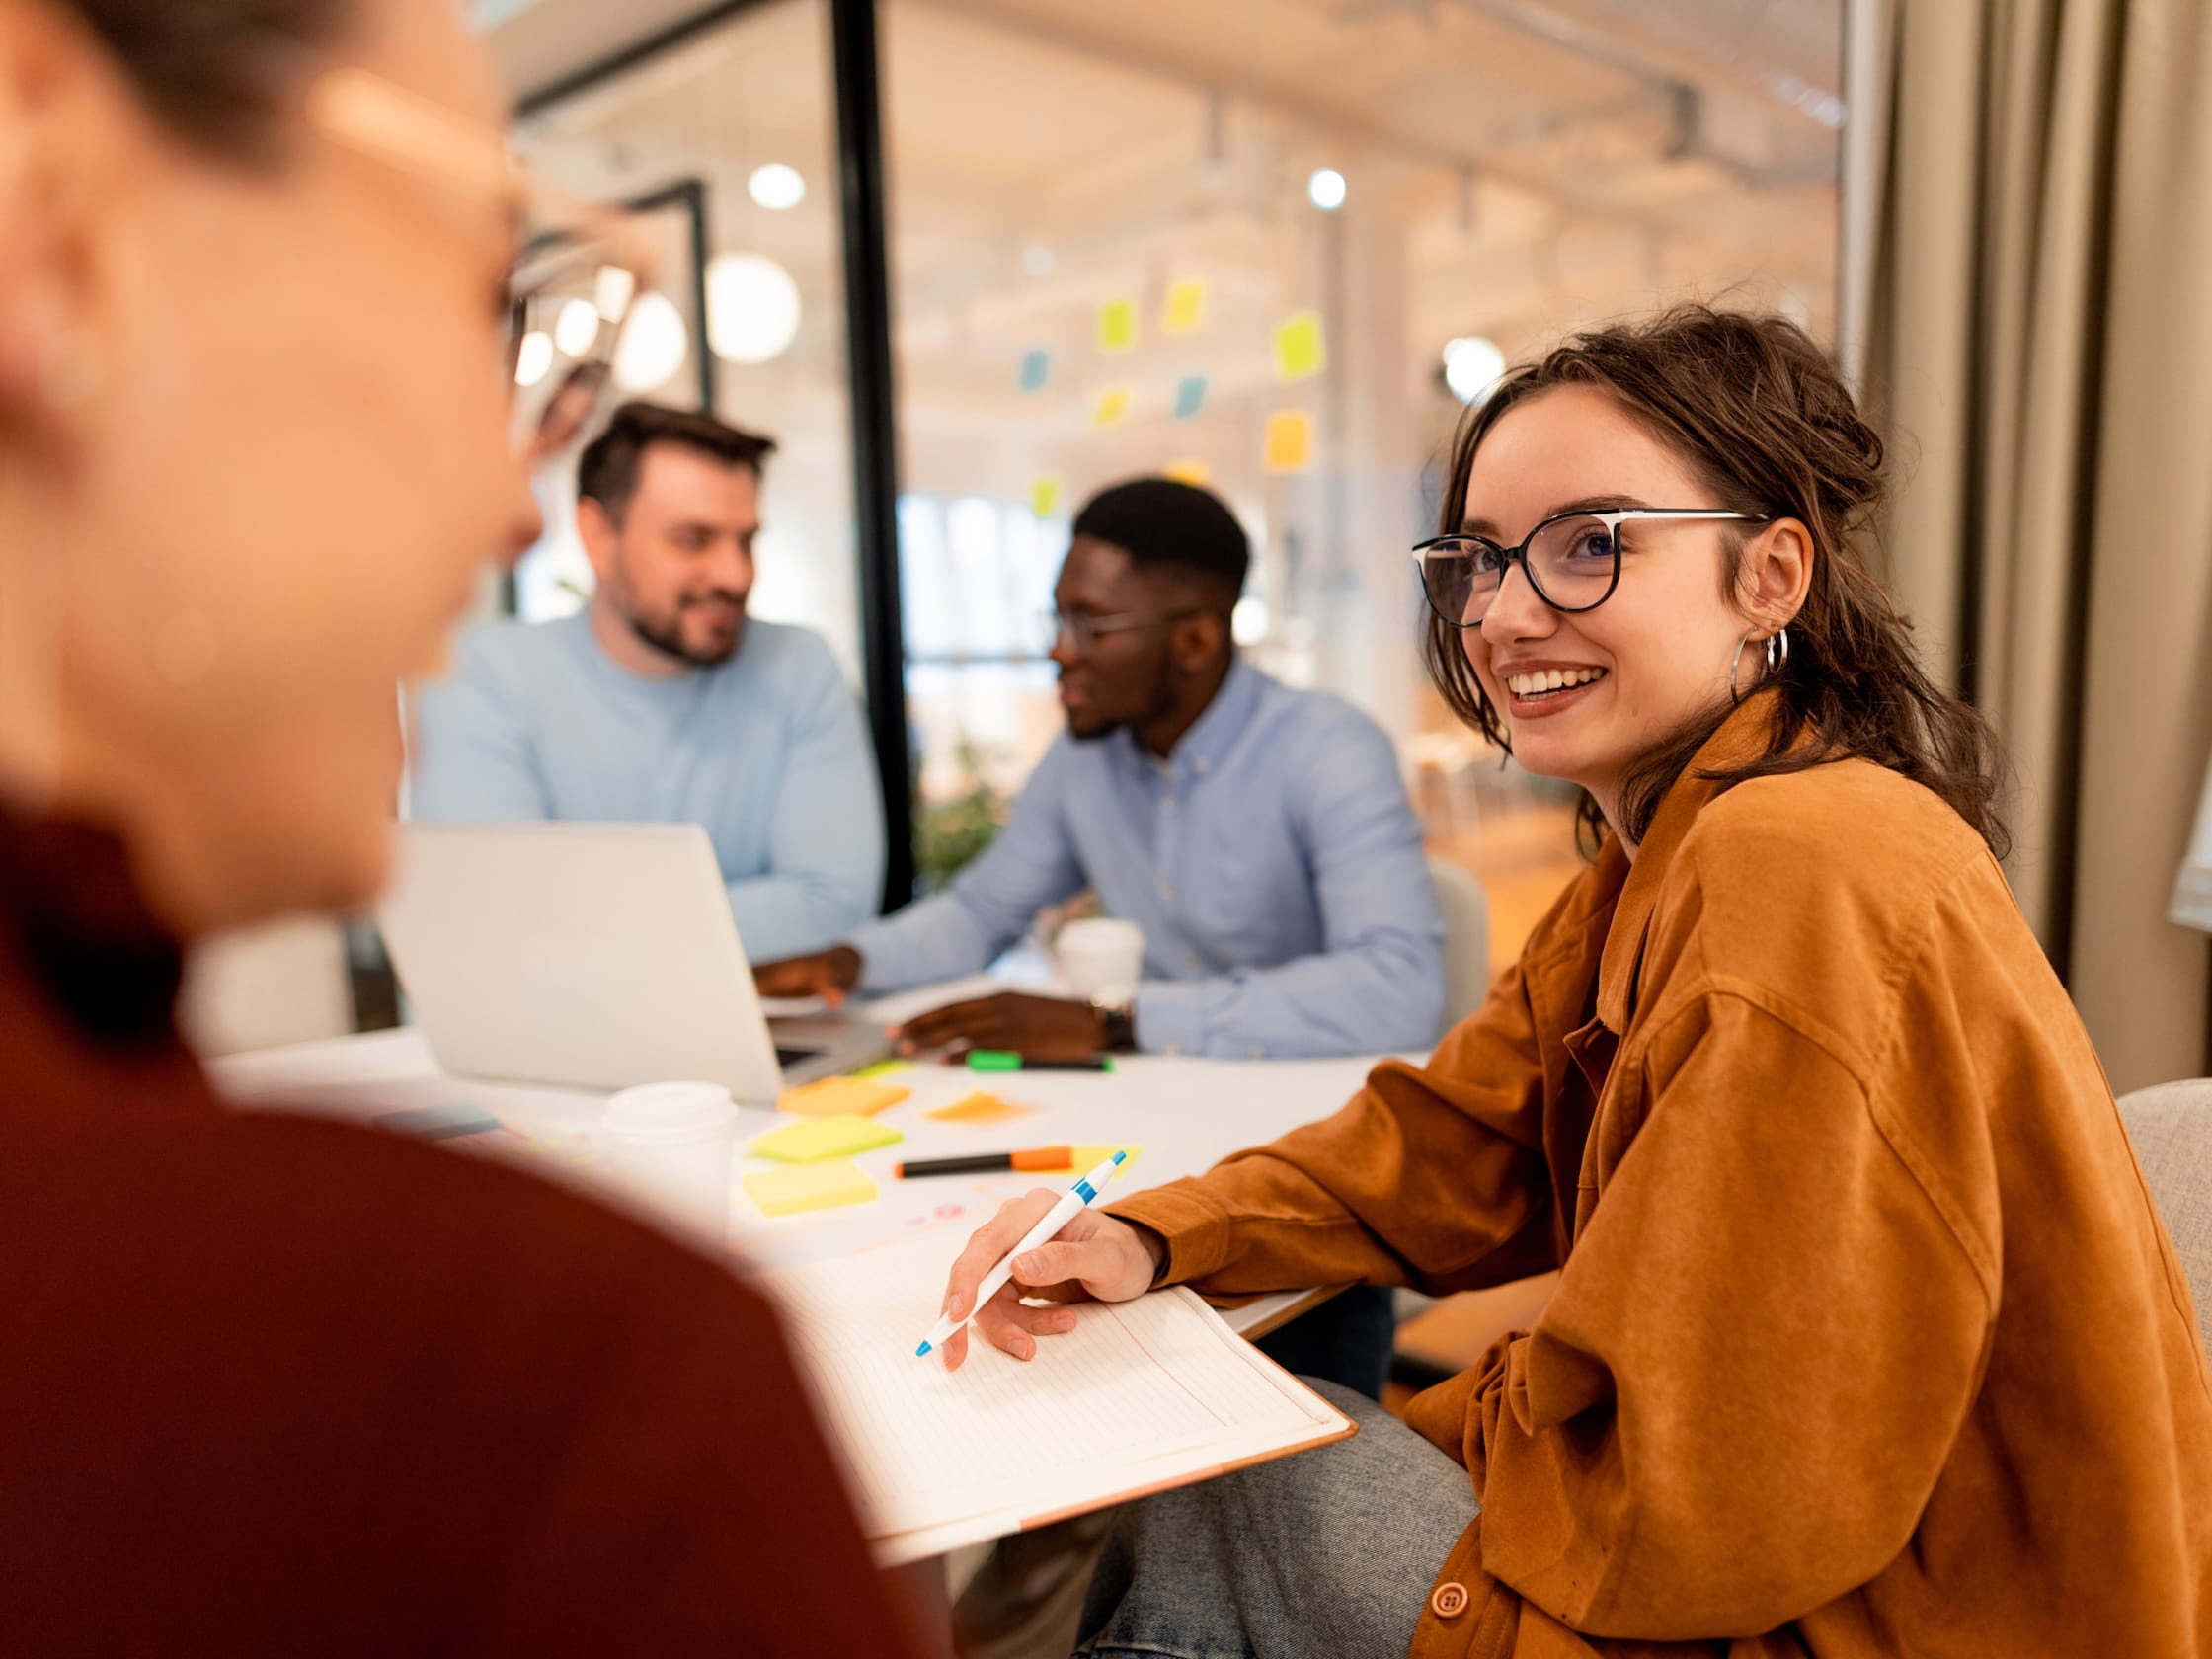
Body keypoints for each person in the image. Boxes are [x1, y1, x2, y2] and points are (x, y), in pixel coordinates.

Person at [934, 308, 2212, 1659]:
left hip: (1870, 1615)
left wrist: (1445, 1421)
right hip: (1793, 1556)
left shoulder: (1797, 865)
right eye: (1477, 562)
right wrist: (1154, 1232)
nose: (1504, 613)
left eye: (1588, 546)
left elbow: (1705, 1497)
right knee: (1233, 1452)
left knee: (1212, 1480)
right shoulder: (1669, 846)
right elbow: (1456, 1137)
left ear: (1770, 575)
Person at [0, 0, 926, 1652]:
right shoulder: (555, 1399)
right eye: (477, 303)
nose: (499, 497)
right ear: (54, 230)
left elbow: (807, 894)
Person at [756, 476, 1447, 1065]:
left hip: (1313, 1104)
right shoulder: (1084, 757)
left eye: (1092, 625)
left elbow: (1398, 990)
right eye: (1057, 620)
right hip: (1167, 1097)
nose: (1060, 652)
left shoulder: (1329, 750)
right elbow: (979, 913)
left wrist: (1114, 1021)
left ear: (1197, 640)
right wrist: (847, 963)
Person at [412, 399, 884, 962]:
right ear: (597, 535)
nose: (735, 574)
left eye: (746, 540)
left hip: (762, 1028)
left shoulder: (800, 665)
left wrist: (580, 930)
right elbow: (494, 919)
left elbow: (835, 904)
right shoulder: (485, 675)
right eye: (693, 540)